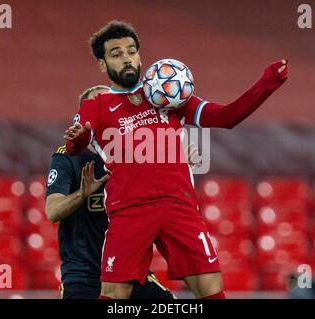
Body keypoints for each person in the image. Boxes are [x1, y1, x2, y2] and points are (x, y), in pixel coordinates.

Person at [64, 21, 288, 299]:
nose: (126, 58)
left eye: (131, 51)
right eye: (116, 53)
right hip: (129, 210)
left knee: (211, 290)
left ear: (140, 56)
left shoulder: (167, 93)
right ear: (102, 64)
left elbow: (227, 117)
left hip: (178, 205)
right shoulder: (96, 105)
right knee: (114, 293)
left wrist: (267, 83)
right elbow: (75, 145)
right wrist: (79, 137)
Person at [45, 85, 175, 299]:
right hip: (84, 277)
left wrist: (178, 165)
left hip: (130, 273)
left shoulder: (135, 155)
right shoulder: (66, 159)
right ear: (82, 118)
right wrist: (82, 194)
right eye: (97, 106)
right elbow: (52, 211)